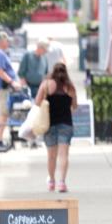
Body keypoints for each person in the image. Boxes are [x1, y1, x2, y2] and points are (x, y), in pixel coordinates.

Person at [36, 62, 78, 192]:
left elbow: (37, 102)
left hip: (49, 124)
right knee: (64, 155)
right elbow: (75, 106)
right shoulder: (70, 87)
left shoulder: (46, 85)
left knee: (51, 156)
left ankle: (52, 182)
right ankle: (62, 183)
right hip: (66, 123)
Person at [0, 32, 22, 150]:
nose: (8, 42)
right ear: (2, 41)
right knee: (3, 114)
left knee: (3, 114)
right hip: (2, 89)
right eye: (7, 40)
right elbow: (0, 71)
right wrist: (12, 82)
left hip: (2, 88)